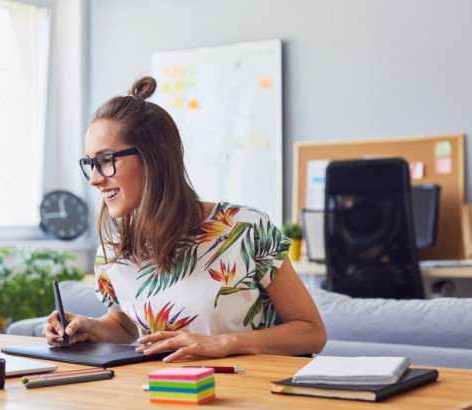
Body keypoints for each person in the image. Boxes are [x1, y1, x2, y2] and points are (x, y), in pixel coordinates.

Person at [44, 76, 326, 362]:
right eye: (90, 163)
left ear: (159, 158)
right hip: (163, 391)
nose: (93, 179)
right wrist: (91, 328)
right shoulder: (113, 249)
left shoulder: (245, 229)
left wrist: (225, 343)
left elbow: (312, 332)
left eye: (105, 160)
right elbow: (125, 326)